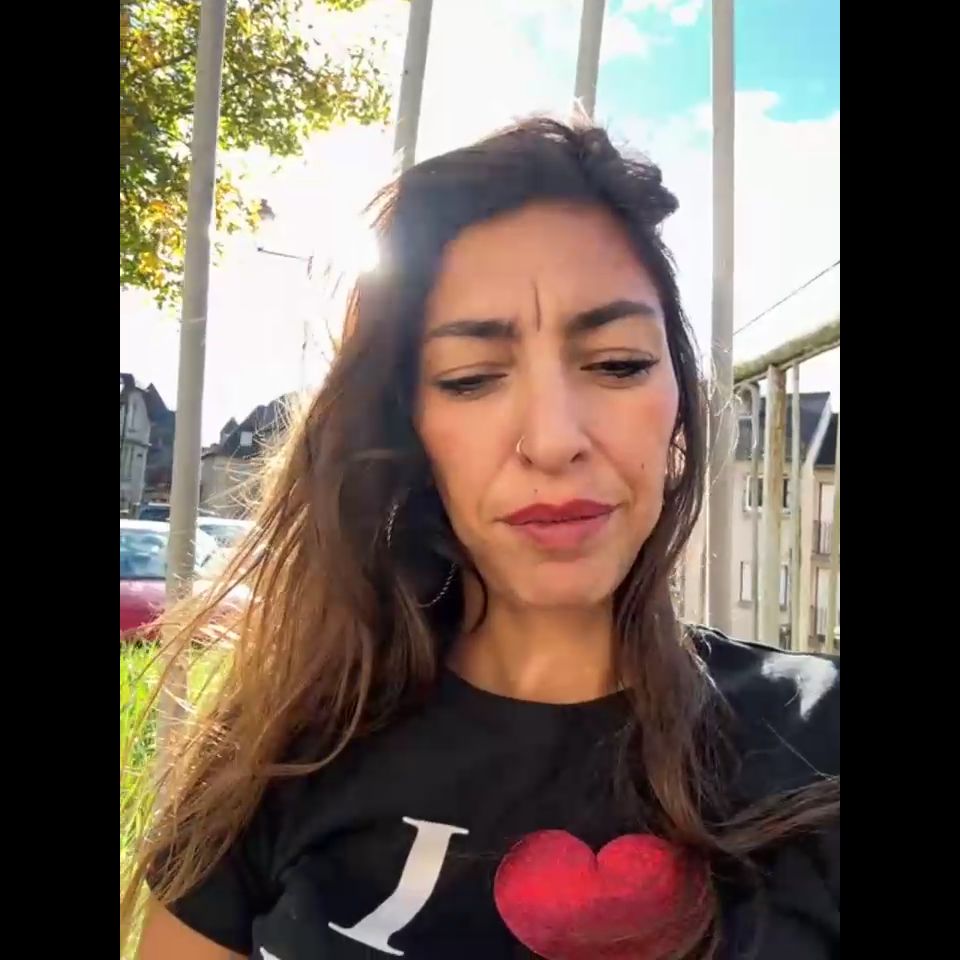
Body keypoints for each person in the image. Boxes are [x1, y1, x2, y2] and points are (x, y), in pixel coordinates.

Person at [124, 117, 839, 960]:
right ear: (409, 428)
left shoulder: (819, 735)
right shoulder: (280, 755)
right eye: (470, 379)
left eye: (617, 363)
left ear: (679, 401)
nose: (553, 440)